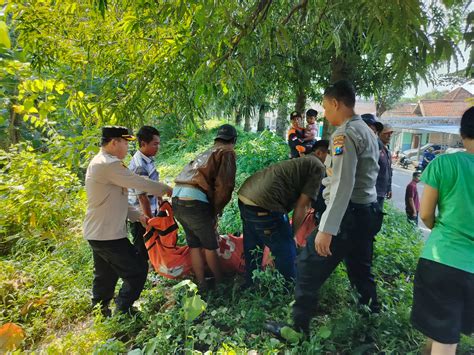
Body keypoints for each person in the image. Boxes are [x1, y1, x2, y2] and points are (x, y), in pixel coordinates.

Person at [266, 80, 383, 336]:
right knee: (361, 268)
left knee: (307, 265)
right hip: (367, 212)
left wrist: (327, 228)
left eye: (325, 107)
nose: (324, 114)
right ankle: (371, 319)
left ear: (335, 103)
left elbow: (342, 184)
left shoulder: (344, 134)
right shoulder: (366, 130)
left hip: (347, 216)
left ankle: (297, 329)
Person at [84, 126, 172, 316]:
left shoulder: (103, 162)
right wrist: (165, 189)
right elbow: (138, 182)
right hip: (107, 234)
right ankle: (123, 310)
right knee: (137, 270)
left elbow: (117, 200)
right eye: (125, 143)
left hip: (98, 232)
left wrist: (138, 216)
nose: (127, 147)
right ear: (114, 142)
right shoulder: (108, 164)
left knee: (105, 274)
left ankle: (100, 310)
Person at [411, 107, 474, 355]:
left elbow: (425, 213)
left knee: (443, 336)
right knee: (447, 329)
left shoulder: (445, 163)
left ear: (462, 132)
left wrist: (441, 230)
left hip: (442, 259)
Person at [238, 143, 326, 285]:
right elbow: (302, 205)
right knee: (286, 249)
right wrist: (292, 234)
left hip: (245, 196)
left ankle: (250, 283)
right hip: (265, 203)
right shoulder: (318, 166)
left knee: (253, 246)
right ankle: (288, 290)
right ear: (321, 153)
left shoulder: (301, 161)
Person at [172, 124, 237, 289]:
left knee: (194, 244)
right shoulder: (227, 151)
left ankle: (201, 283)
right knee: (210, 245)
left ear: (216, 139)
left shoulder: (207, 152)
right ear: (234, 140)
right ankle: (220, 283)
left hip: (177, 198)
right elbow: (224, 186)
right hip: (195, 201)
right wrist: (215, 211)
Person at [128, 126, 161, 264]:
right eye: (155, 144)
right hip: (141, 216)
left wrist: (160, 201)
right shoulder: (139, 165)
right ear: (143, 144)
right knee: (142, 249)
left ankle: (154, 267)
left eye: (158, 143)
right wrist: (149, 221)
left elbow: (153, 184)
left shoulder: (148, 158)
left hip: (150, 211)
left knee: (152, 245)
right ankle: (142, 277)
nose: (157, 147)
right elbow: (142, 197)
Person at [376, 123, 394, 210]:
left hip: (382, 191)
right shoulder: (376, 147)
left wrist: (389, 187)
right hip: (374, 191)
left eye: (391, 133)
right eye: (386, 133)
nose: (389, 135)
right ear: (379, 133)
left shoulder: (387, 151)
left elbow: (389, 171)